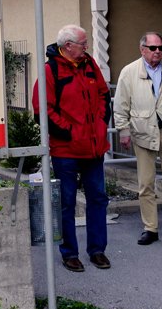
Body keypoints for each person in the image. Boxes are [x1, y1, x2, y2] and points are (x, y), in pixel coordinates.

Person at [32, 24, 111, 273]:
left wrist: (99, 124)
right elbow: (42, 111)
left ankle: (97, 250)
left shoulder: (89, 64)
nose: (87, 47)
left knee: (97, 198)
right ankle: (70, 253)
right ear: (68, 46)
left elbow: (102, 95)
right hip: (66, 150)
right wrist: (70, 132)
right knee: (66, 202)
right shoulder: (50, 70)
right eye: (83, 43)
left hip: (94, 148)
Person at [113, 32, 162, 246]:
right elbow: (120, 105)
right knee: (145, 183)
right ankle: (150, 228)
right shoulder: (129, 72)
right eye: (153, 48)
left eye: (161, 48)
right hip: (143, 131)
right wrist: (123, 130)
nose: (158, 52)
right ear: (142, 49)